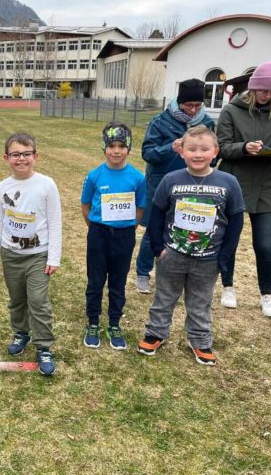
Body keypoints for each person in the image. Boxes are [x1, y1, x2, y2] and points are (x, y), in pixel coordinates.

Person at [137, 126, 245, 366]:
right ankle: (155, 333)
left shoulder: (228, 182)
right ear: (181, 151)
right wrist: (158, 248)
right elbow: (157, 214)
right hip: (172, 254)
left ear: (215, 151)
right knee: (164, 297)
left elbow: (236, 220)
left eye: (204, 149)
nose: (198, 154)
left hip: (208, 258)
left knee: (200, 301)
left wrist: (224, 255)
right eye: (192, 149)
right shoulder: (171, 180)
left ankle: (199, 340)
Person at [216, 62, 271, 316]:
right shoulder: (231, 110)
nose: (267, 95)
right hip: (234, 182)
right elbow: (222, 146)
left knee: (264, 245)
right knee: (230, 240)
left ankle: (266, 294)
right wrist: (244, 148)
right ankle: (228, 287)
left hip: (266, 185)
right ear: (253, 88)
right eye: (263, 90)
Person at [0, 132, 62, 376]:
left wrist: (53, 257)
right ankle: (21, 333)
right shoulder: (3, 187)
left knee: (38, 301)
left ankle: (44, 346)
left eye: (26, 154)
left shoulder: (46, 185)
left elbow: (55, 222)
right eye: (15, 154)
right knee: (17, 299)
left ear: (35, 156)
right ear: (6, 158)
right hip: (11, 255)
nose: (21, 159)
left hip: (38, 255)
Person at [135, 79, 215, 294]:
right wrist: (170, 147)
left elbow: (213, 155)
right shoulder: (160, 121)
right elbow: (147, 153)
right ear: (179, 103)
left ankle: (173, 275)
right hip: (161, 182)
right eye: (188, 105)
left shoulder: (206, 123)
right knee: (153, 230)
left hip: (193, 185)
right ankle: (143, 273)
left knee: (183, 230)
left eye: (197, 105)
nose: (193, 110)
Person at [81, 123, 146, 350]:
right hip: (98, 234)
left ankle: (114, 323)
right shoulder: (94, 175)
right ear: (104, 147)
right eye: (111, 146)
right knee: (95, 280)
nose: (116, 151)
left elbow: (140, 208)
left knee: (118, 282)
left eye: (121, 146)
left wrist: (127, 228)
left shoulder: (137, 178)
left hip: (124, 236)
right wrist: (96, 227)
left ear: (128, 148)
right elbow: (86, 205)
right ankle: (93, 322)